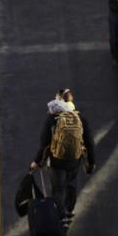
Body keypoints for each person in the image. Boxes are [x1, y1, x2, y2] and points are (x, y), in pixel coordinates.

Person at [30, 89, 95, 227]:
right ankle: (69, 210)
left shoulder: (52, 119)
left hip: (56, 162)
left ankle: (61, 216)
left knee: (58, 189)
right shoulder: (79, 118)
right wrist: (91, 162)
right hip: (74, 160)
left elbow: (44, 143)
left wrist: (37, 161)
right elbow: (89, 142)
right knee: (71, 184)